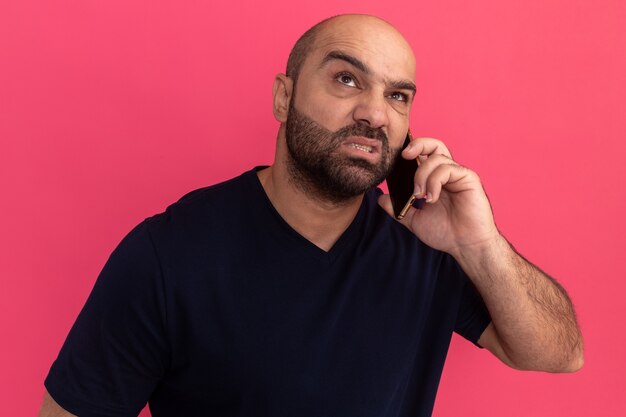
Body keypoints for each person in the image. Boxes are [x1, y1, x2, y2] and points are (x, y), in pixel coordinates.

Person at [39, 14, 584, 417]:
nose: (374, 113)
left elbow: (559, 355)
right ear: (283, 97)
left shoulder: (428, 240)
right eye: (347, 79)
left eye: (397, 96)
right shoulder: (167, 256)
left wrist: (478, 245)